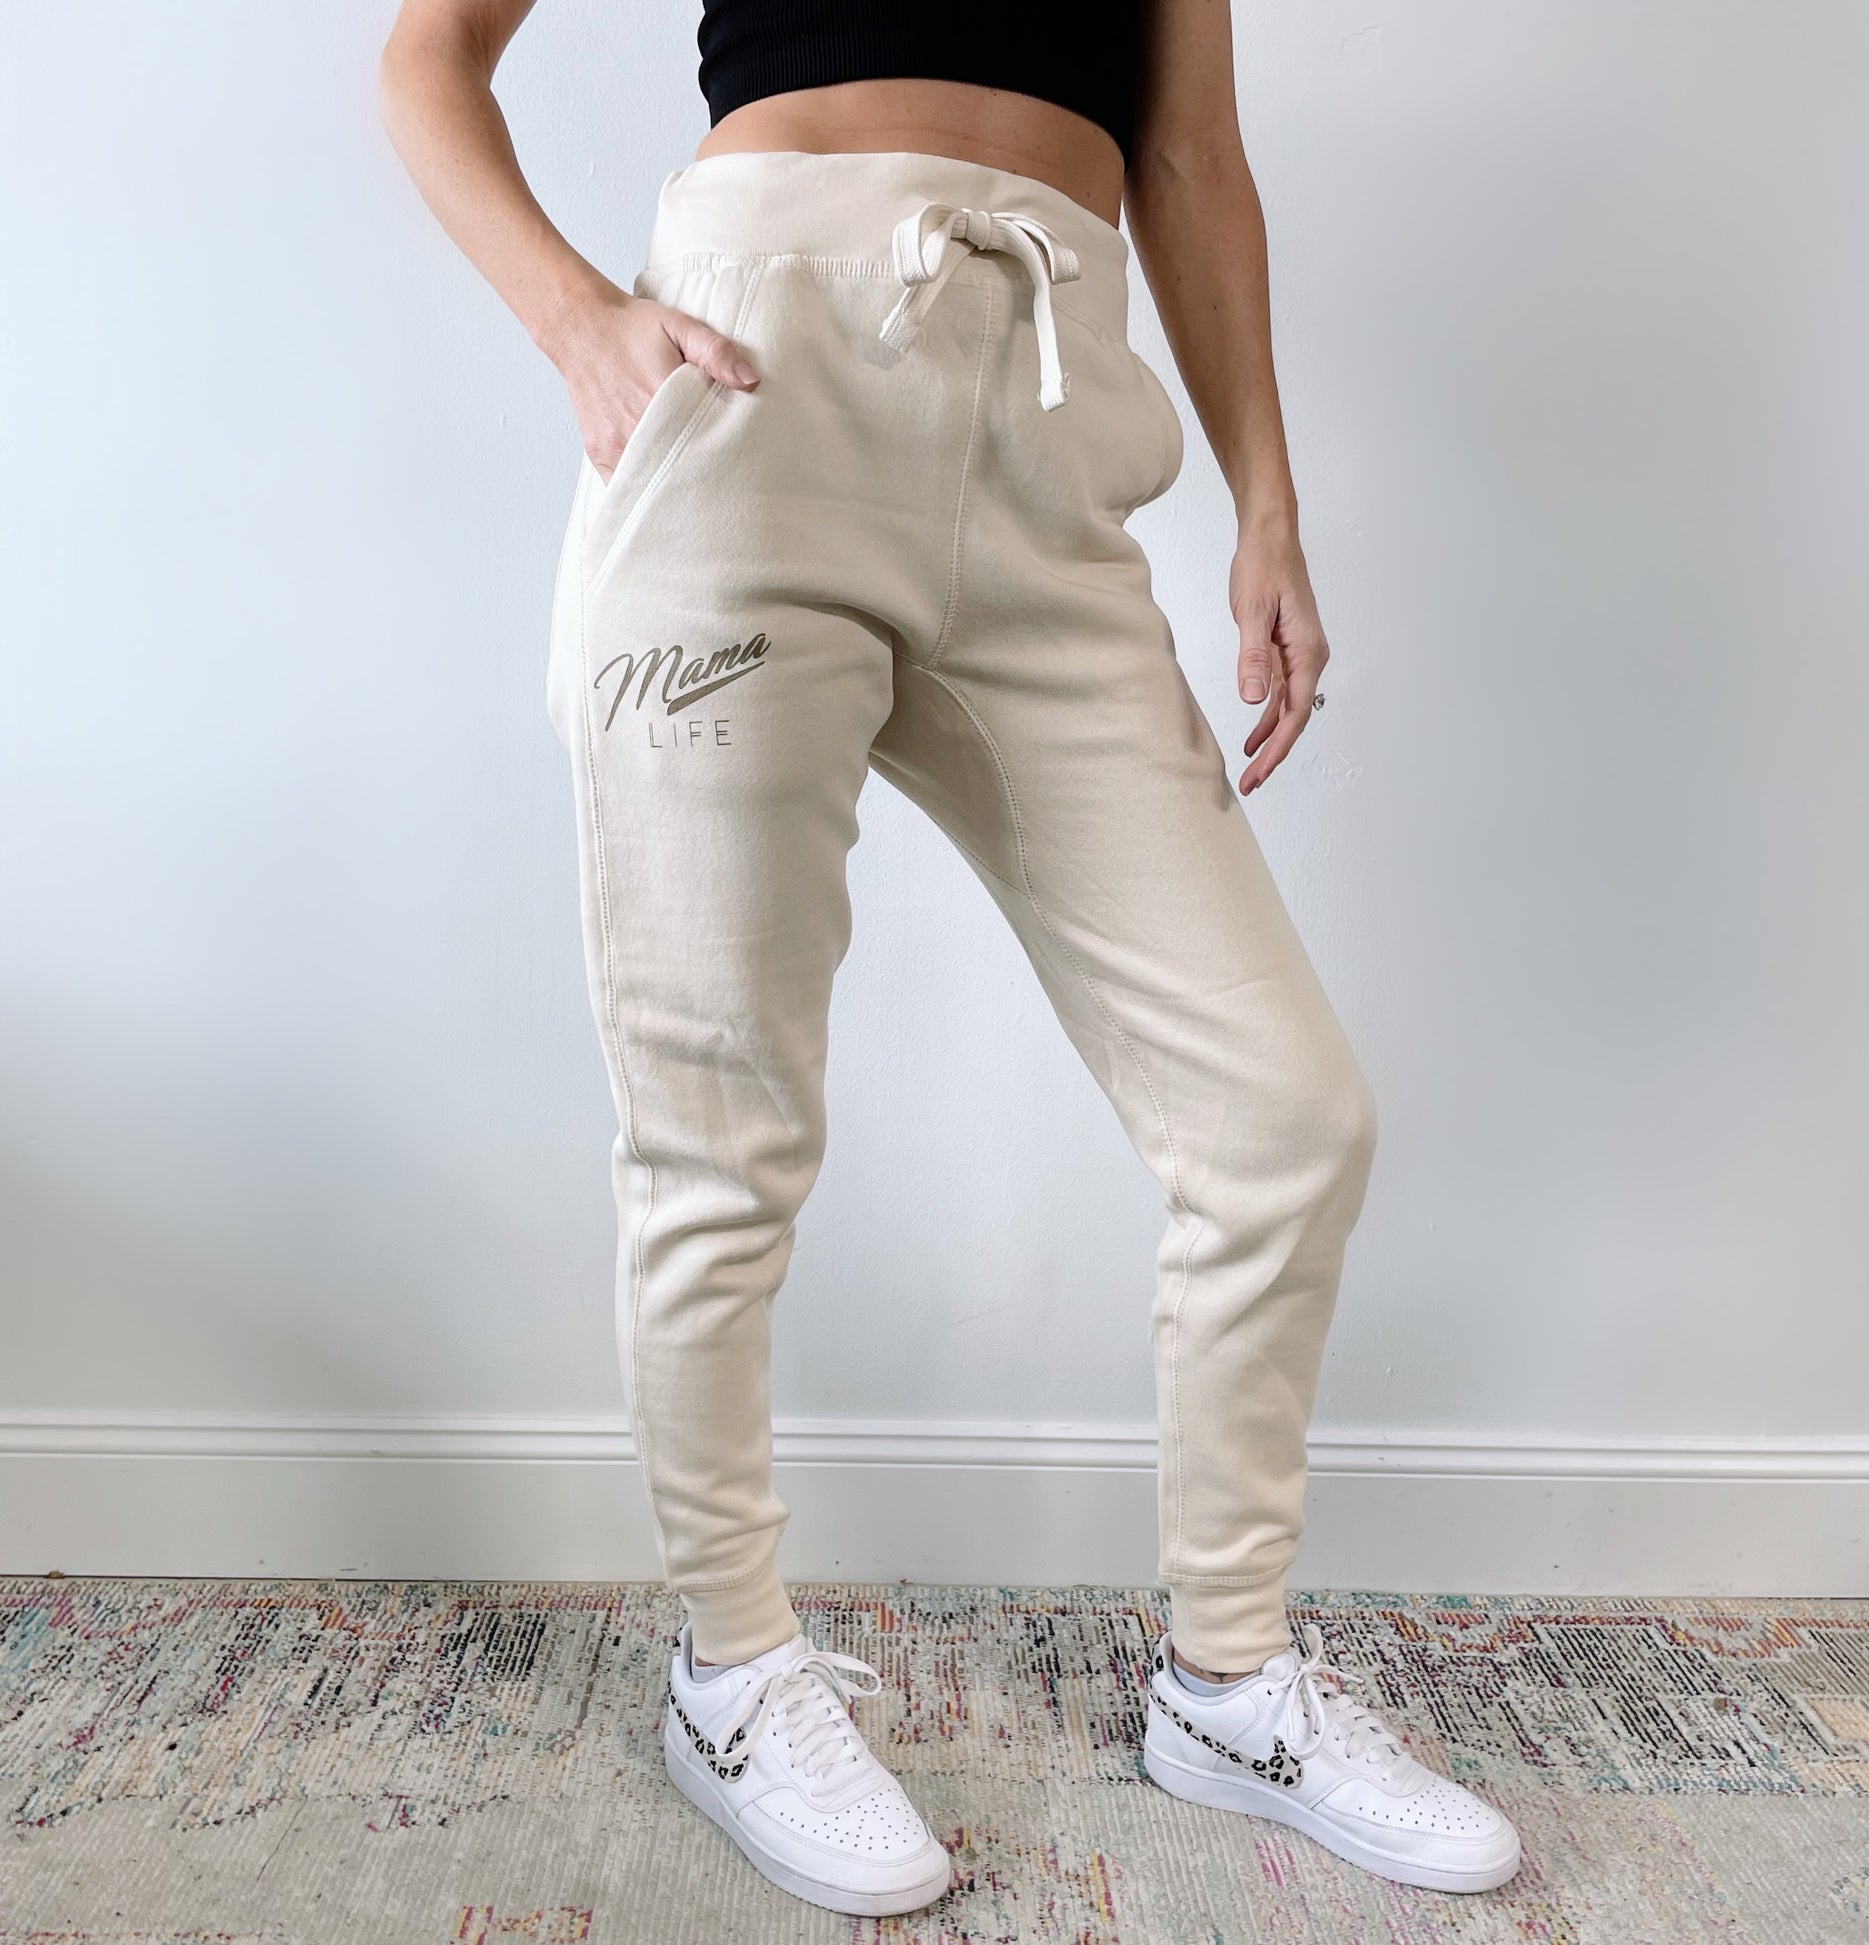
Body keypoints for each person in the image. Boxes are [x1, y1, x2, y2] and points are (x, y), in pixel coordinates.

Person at [379, 0, 1523, 1916]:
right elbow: (430, 56)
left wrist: (1266, 502)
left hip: (1048, 439)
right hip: (749, 399)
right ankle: (732, 1667)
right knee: (719, 1127)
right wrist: (582, 319)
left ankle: (1229, 1682)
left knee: (1281, 1118)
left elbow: (1186, 159)